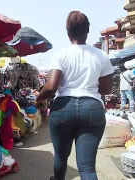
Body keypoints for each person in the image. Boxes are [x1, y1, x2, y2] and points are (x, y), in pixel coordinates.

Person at [35, 11, 113, 180]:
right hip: (92, 108)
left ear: (67, 31)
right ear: (88, 30)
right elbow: (106, 90)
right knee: (87, 168)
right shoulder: (102, 56)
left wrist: (37, 99)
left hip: (63, 108)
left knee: (61, 156)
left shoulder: (60, 55)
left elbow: (51, 88)